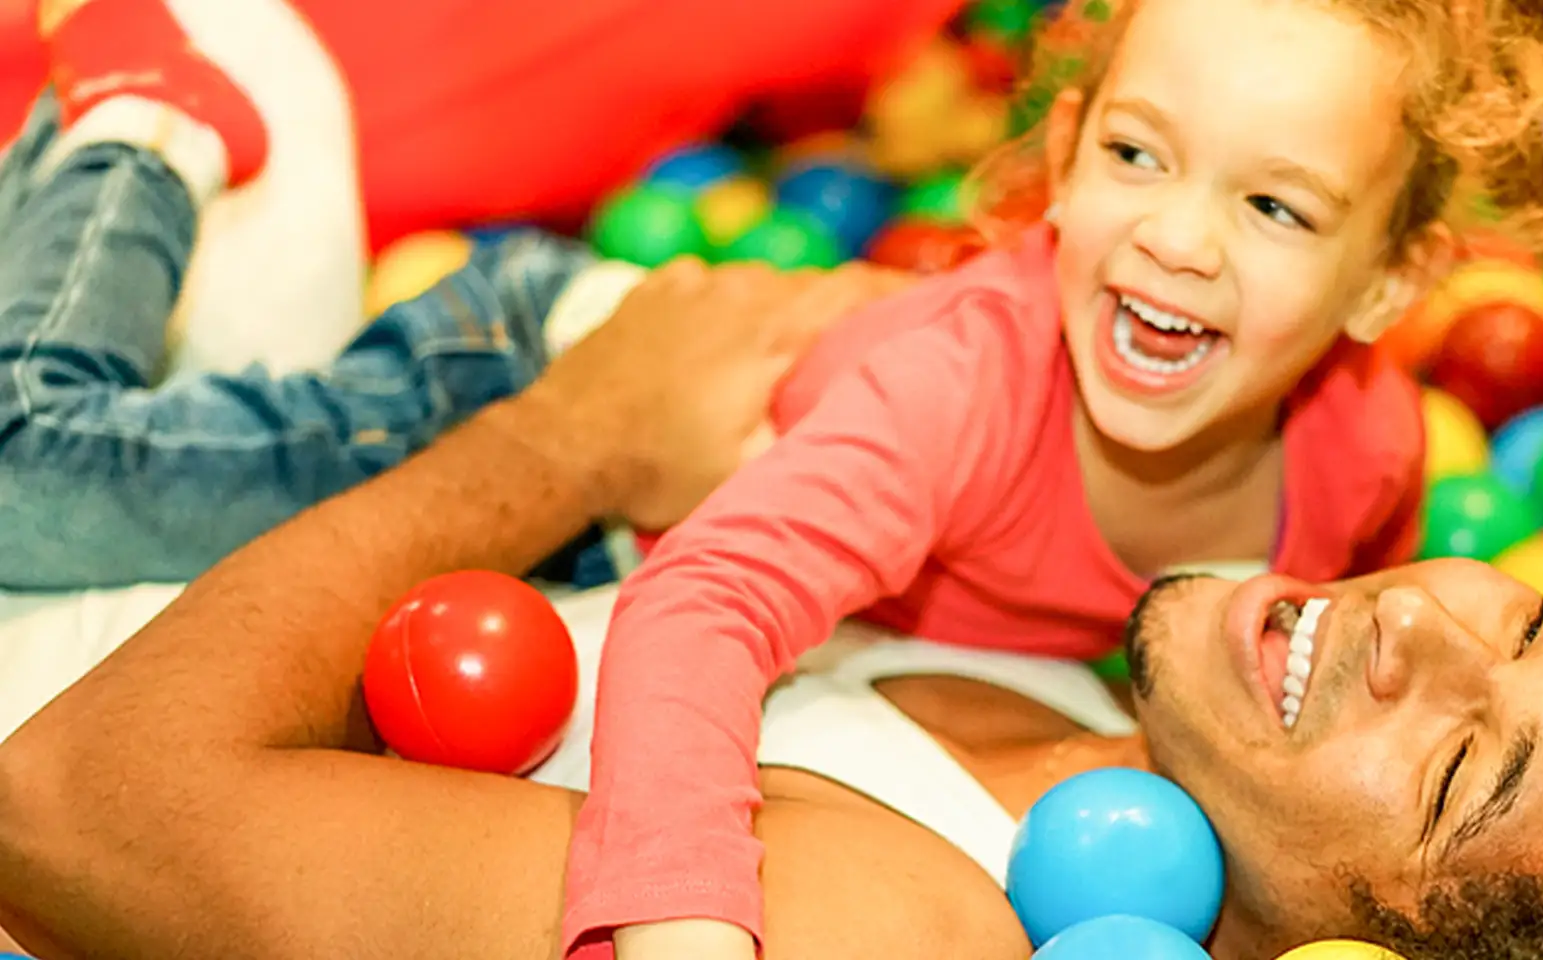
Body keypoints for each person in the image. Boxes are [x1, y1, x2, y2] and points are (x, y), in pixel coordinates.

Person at [0, 350, 1543, 958]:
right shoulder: (1139, 735)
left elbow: (67, 811)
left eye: (1453, 775)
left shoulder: (877, 933)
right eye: (1528, 618)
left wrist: (575, 438)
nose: (1416, 629)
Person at [554, 0, 1543, 952]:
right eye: (1137, 155)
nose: (1176, 239)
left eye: (1273, 206)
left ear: (1386, 280)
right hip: (547, 376)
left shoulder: (1364, 444)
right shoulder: (967, 388)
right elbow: (709, 600)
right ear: (1065, 153)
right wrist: (684, 917)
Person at [0, 8, 909, 590]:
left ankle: (148, 114)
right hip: (559, 351)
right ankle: (147, 109)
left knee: (24, 476)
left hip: (542, 364)